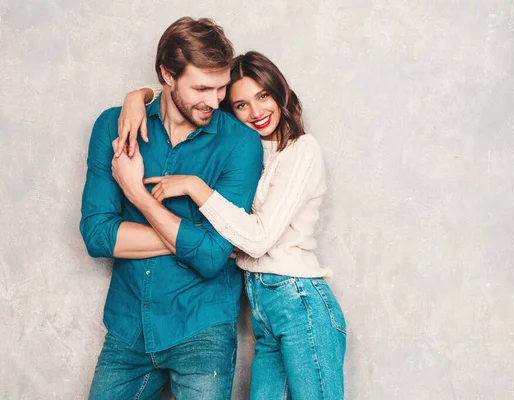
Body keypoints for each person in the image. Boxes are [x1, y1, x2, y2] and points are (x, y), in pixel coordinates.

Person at [117, 51, 347, 399]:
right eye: (240, 105)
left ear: (279, 91)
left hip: (299, 301)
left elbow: (256, 240)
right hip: (263, 310)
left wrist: (196, 187)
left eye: (263, 96)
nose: (255, 112)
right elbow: (181, 95)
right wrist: (137, 97)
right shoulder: (249, 150)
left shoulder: (302, 151)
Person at [79, 17, 263, 399]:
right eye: (201, 87)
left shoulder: (241, 144)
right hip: (128, 326)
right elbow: (97, 235)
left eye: (221, 87)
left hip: (203, 328)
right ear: (167, 74)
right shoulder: (114, 126)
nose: (214, 101)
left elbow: (213, 261)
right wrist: (200, 242)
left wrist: (137, 193)